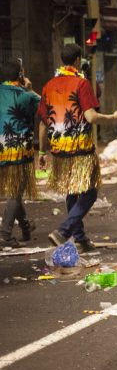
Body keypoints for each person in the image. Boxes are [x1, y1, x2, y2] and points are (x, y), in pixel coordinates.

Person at [39, 44, 117, 252]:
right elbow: (91, 117)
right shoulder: (81, 83)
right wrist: (114, 117)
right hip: (80, 149)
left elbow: (42, 123)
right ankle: (64, 230)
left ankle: (81, 238)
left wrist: (42, 152)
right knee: (90, 192)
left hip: (58, 149)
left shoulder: (48, 86)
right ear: (77, 60)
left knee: (72, 191)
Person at [0, 59, 39, 247]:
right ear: (21, 75)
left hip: (0, 148)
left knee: (16, 190)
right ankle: (5, 234)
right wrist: (30, 89)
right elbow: (46, 107)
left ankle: (25, 226)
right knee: (16, 191)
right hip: (18, 149)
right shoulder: (25, 95)